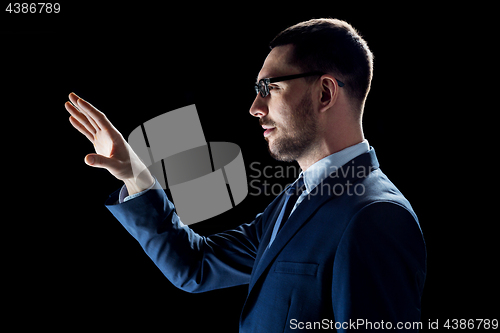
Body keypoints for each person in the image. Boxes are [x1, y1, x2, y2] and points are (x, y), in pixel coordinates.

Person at [66, 18, 426, 332]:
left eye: (269, 88)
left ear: (325, 92)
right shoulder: (297, 198)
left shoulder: (376, 217)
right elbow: (197, 266)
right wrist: (136, 174)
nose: (255, 108)